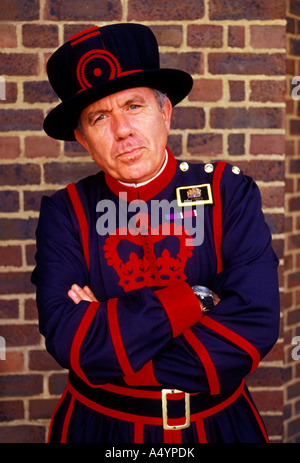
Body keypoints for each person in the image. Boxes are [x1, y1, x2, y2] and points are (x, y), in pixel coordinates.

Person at [31, 23, 280, 444]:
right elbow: (70, 341)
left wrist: (114, 346)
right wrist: (196, 299)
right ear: (82, 139)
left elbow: (252, 327)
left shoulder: (227, 192)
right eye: (99, 117)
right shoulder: (66, 212)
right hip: (100, 429)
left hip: (217, 426)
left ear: (165, 113)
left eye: (133, 106)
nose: (122, 130)